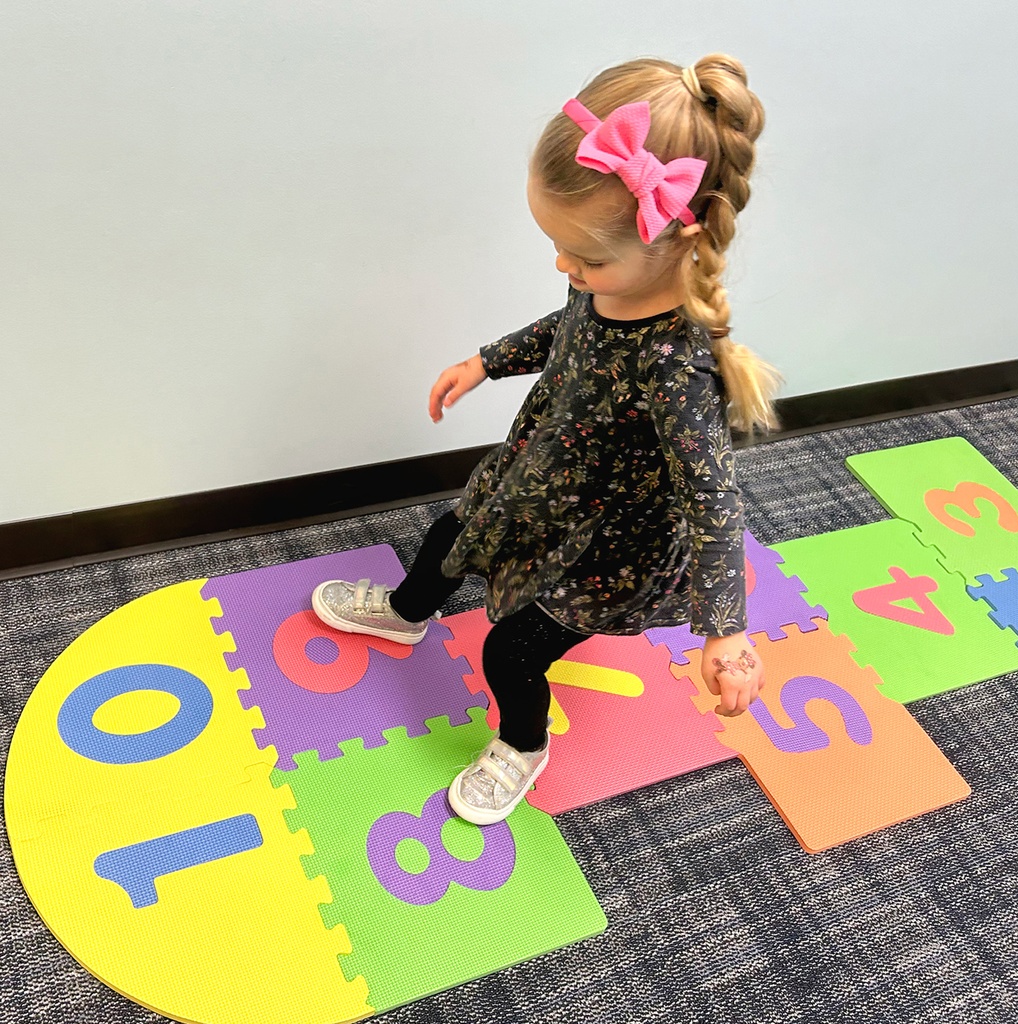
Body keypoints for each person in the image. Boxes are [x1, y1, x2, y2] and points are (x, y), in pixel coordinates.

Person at [312, 54, 780, 826]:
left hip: (604, 544)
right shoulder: (608, 279)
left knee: (512, 652)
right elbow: (569, 326)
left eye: (585, 258)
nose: (565, 267)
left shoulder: (676, 367)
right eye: (558, 247)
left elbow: (714, 500)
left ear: (672, 236)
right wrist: (485, 363)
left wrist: (726, 630)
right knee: (448, 536)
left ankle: (523, 746)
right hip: (540, 473)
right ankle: (405, 611)